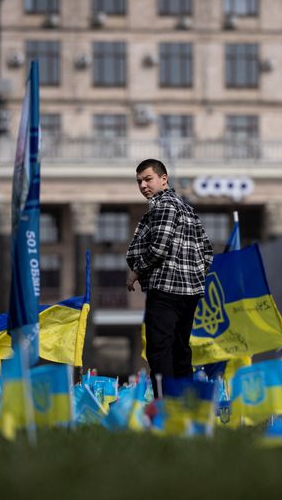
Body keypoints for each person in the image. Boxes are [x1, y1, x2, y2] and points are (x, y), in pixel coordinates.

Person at [126, 159, 213, 397]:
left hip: (165, 289)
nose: (143, 185)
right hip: (190, 293)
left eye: (147, 179)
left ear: (163, 179)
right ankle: (185, 405)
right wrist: (194, 276)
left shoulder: (163, 205)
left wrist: (136, 271)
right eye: (139, 181)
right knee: (180, 350)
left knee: (159, 349)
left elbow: (159, 247)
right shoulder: (188, 209)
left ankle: (164, 405)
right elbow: (207, 251)